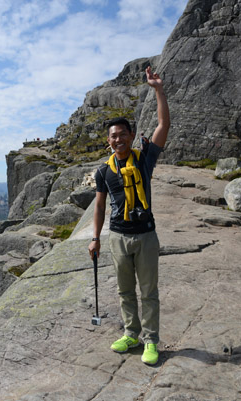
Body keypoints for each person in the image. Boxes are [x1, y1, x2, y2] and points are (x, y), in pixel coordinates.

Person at [87, 66, 170, 366]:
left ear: (132, 136)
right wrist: (95, 238)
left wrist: (158, 89)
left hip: (145, 235)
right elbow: (99, 206)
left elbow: (163, 125)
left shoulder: (145, 158)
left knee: (148, 292)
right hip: (118, 236)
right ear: (108, 140)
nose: (118, 139)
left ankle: (150, 341)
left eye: (123, 134)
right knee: (125, 291)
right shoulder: (103, 170)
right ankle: (131, 334)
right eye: (113, 136)